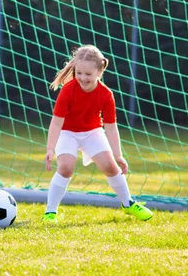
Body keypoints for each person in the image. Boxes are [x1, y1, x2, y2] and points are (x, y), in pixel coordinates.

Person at [42, 44, 153, 223]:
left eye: (88, 74)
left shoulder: (106, 94)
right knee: (66, 168)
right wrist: (50, 149)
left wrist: (118, 155)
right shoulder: (68, 90)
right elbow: (56, 122)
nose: (82, 78)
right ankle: (50, 212)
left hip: (92, 132)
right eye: (79, 73)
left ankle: (128, 203)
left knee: (110, 167)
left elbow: (110, 126)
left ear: (99, 72)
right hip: (67, 133)